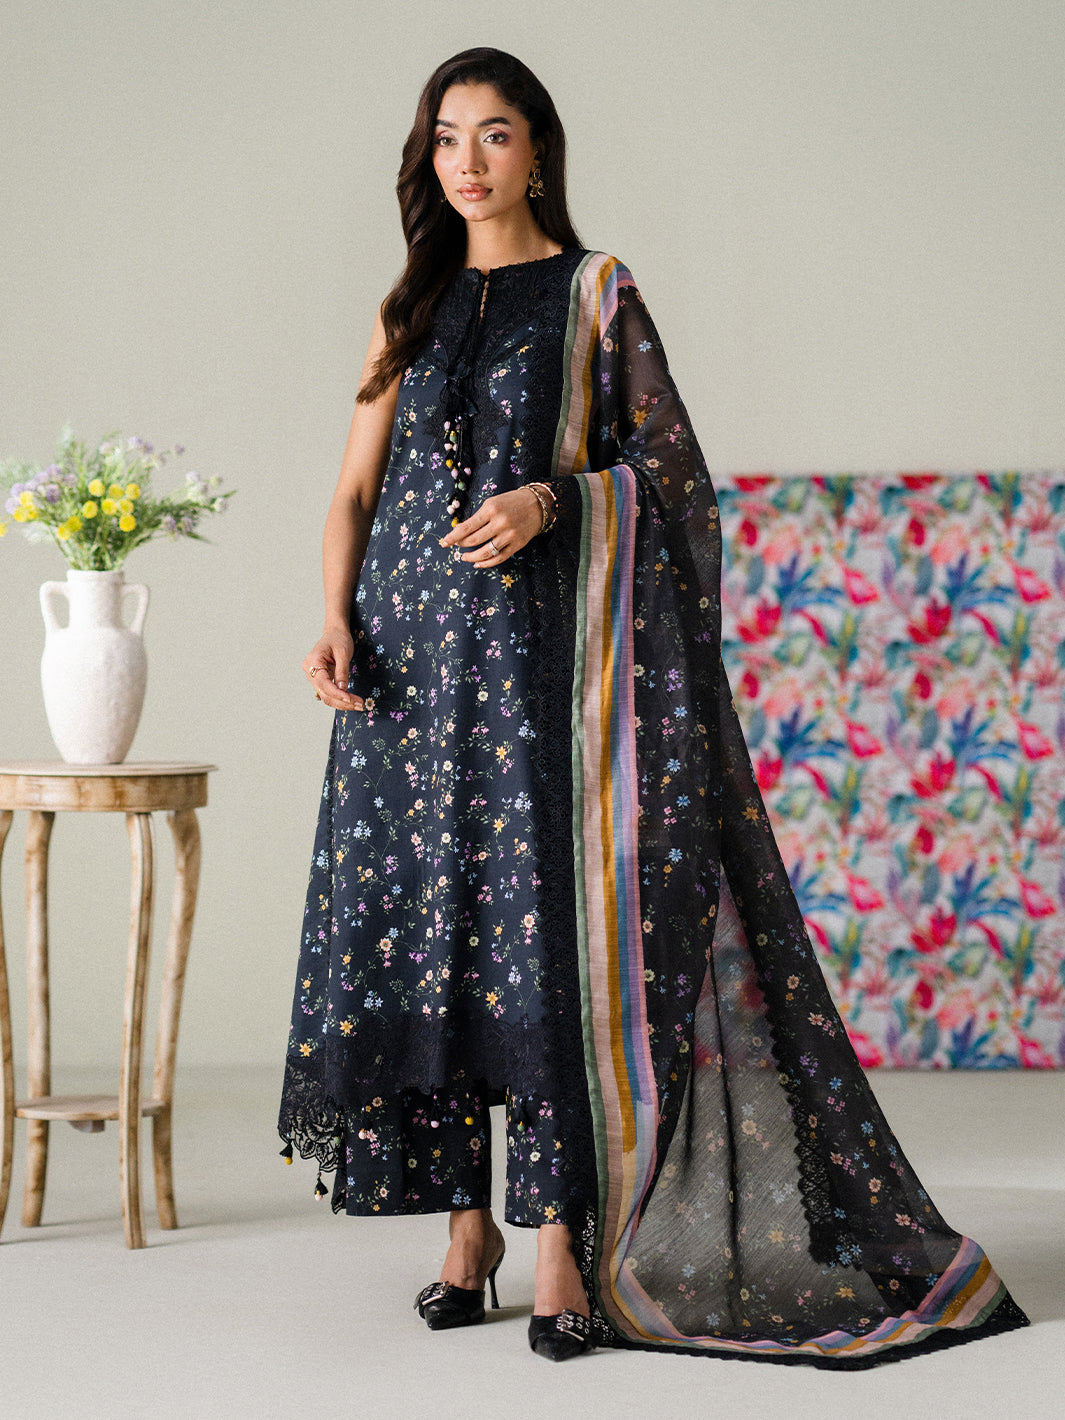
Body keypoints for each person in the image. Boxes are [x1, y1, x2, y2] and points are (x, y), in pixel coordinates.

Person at [279, 47, 1028, 1365]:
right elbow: (352, 490)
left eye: (493, 134)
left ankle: (560, 1242)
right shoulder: (411, 304)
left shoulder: (595, 292)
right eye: (446, 136)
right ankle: (466, 1233)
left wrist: (554, 501)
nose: (467, 160)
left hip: (547, 685)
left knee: (541, 954)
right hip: (410, 682)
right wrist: (335, 616)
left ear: (538, 151)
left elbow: (675, 479)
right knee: (437, 943)